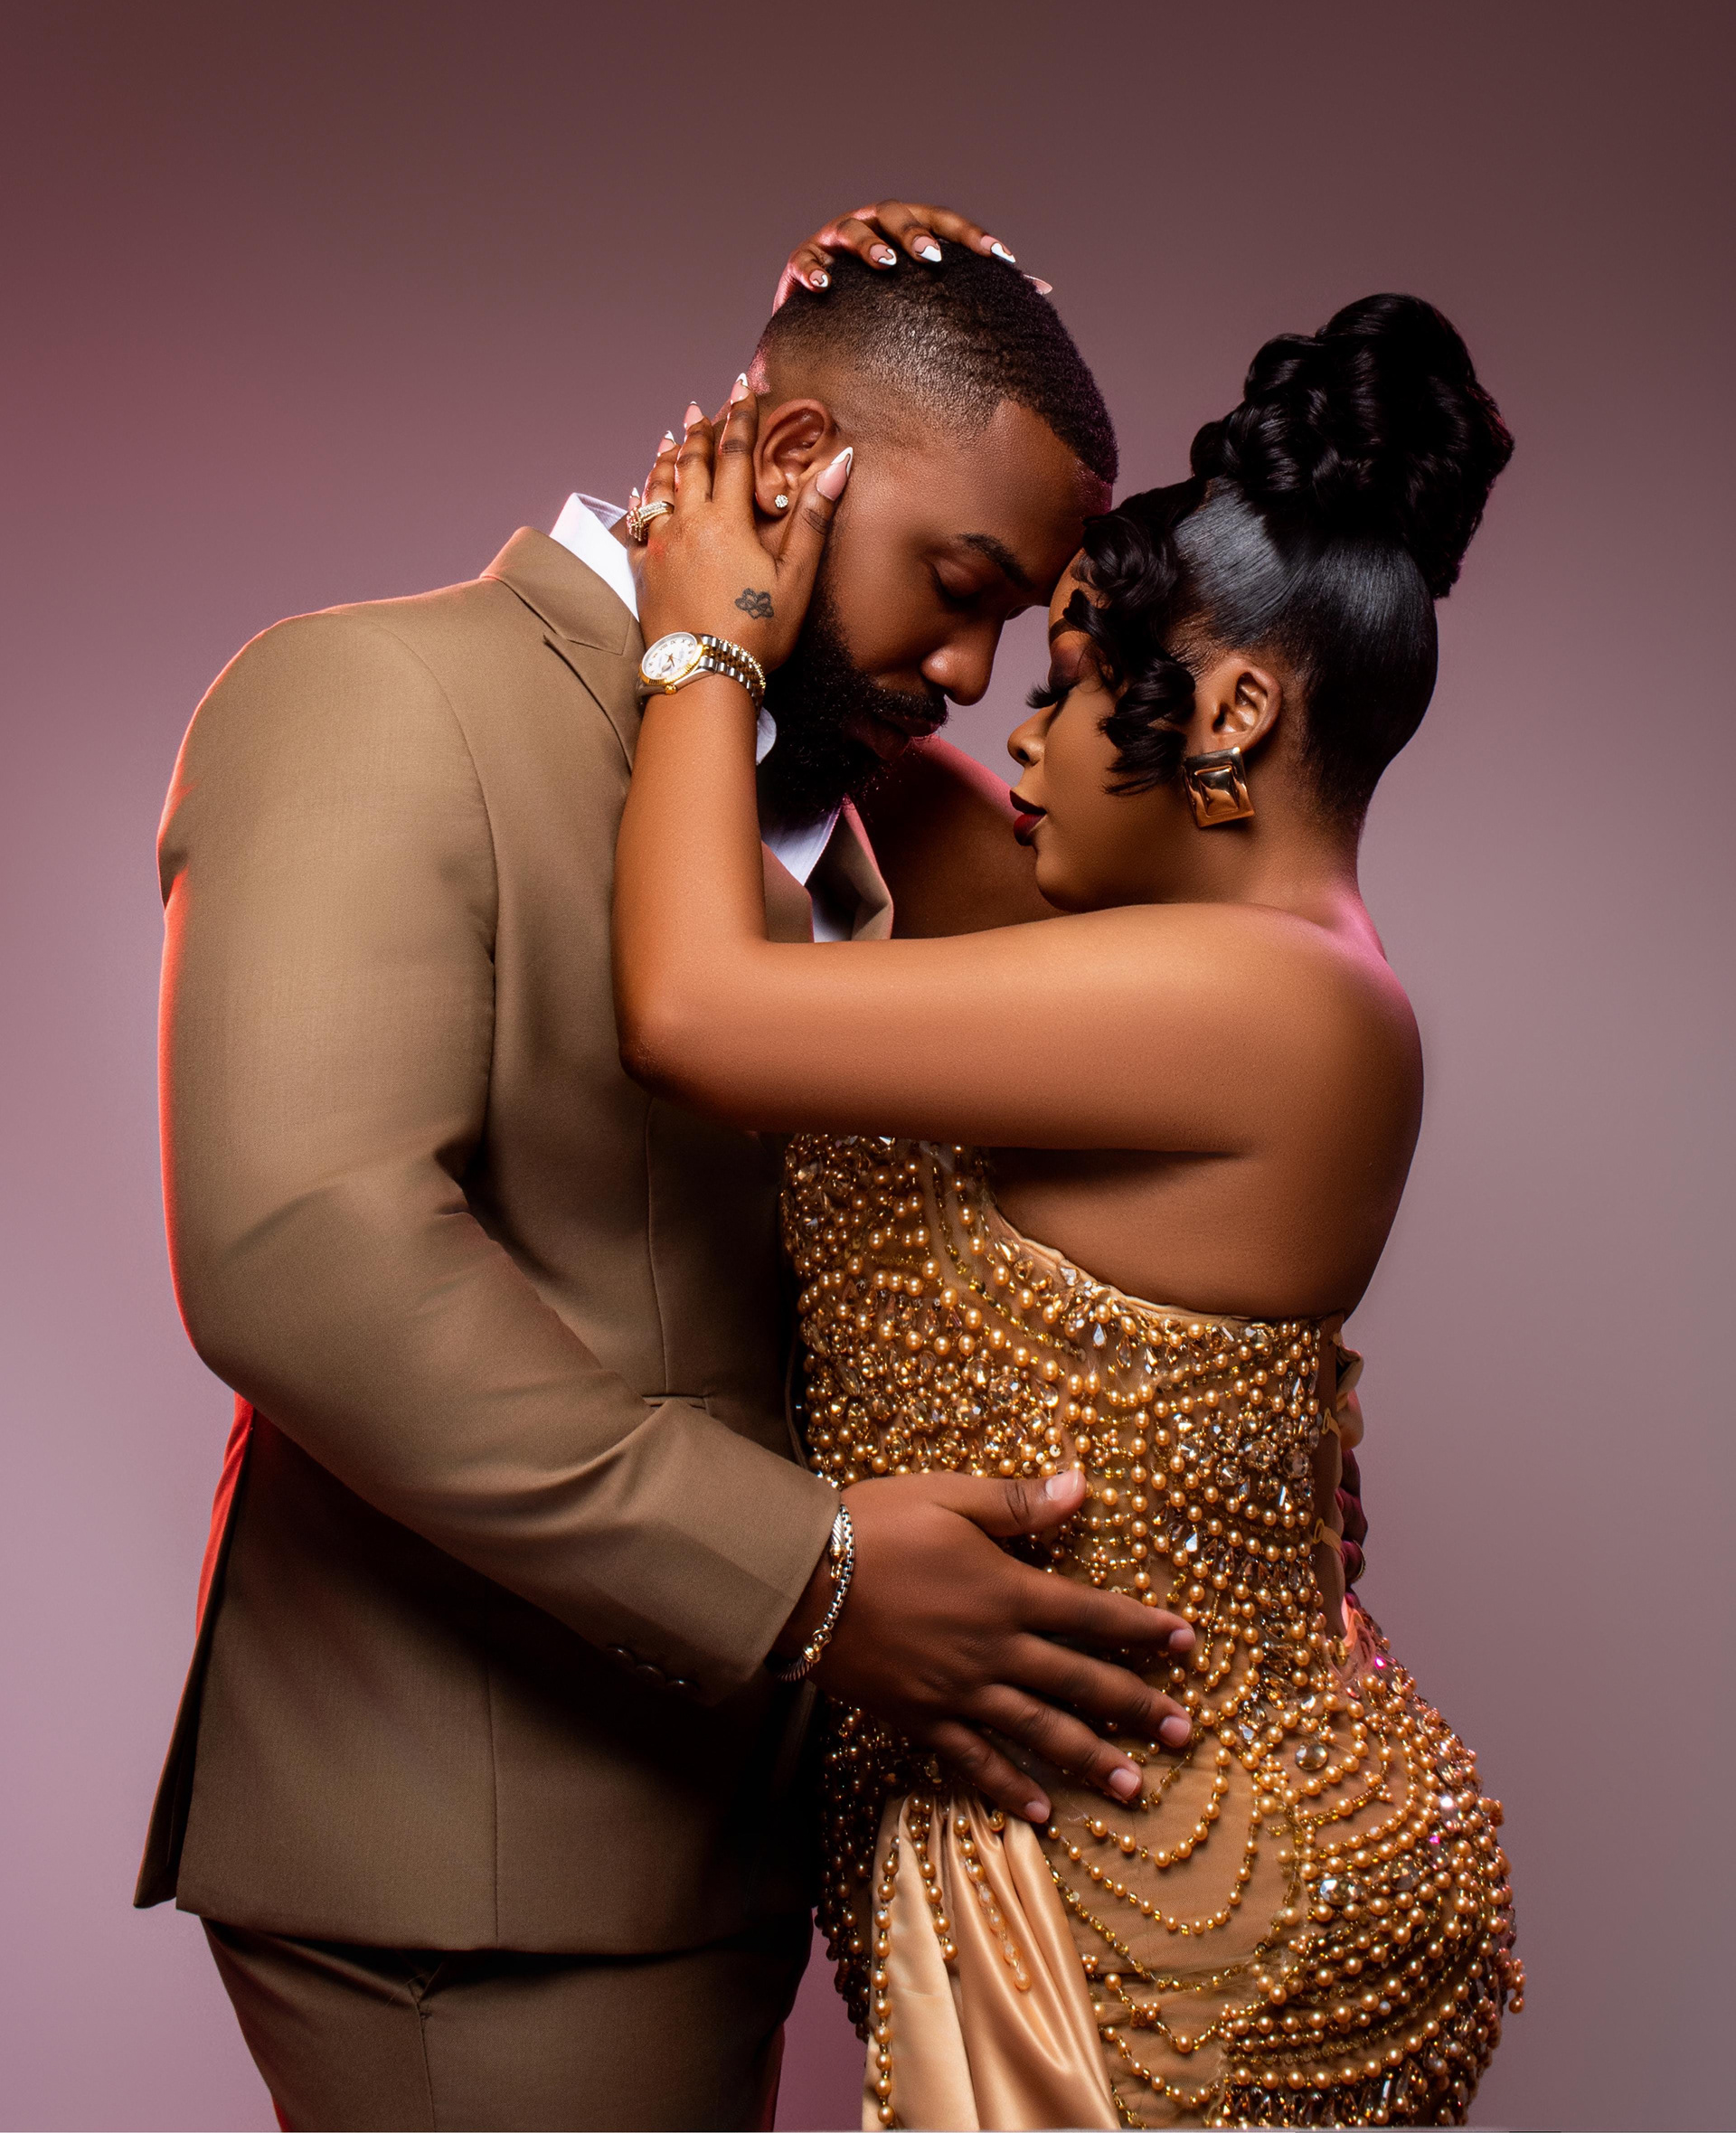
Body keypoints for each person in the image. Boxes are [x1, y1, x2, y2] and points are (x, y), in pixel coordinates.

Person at [134, 203, 1204, 2133]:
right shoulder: (377, 695)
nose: (974, 667)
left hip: (716, 1833)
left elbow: (1182, 1029)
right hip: (473, 1866)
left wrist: (1231, 1441)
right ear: (796, 461)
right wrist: (811, 1577)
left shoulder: (840, 802)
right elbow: (307, 1252)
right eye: (958, 583)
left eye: (1012, 619)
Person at [612, 288, 1522, 2128]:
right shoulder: (1159, 961)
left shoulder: (1279, 1005)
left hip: (1180, 1910)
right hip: (1083, 1857)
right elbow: (849, 713)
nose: (1005, 728)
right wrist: (827, 357)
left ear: (1234, 711)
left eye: (1069, 681)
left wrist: (699, 644)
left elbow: (694, 1008)